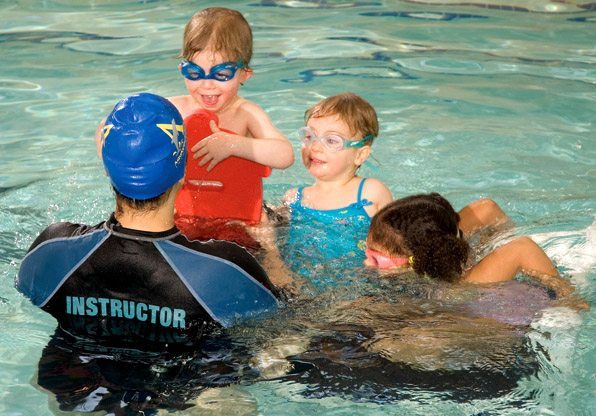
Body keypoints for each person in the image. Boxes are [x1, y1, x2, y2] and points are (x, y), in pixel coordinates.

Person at [17, 92, 281, 351]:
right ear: (183, 171)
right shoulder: (222, 269)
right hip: (185, 390)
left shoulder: (51, 249)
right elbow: (284, 325)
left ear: (107, 168)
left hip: (71, 386)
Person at [364, 193, 578, 297]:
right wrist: (490, 243)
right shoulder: (441, 239)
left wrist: (567, 298)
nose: (366, 263)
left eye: (376, 259)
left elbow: (521, 247)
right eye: (365, 250)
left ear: (415, 260)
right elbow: (486, 208)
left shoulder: (462, 286)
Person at [280, 92, 393, 282]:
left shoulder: (370, 193)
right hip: (300, 288)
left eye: (331, 141)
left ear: (360, 155)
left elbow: (397, 246)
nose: (315, 147)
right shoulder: (293, 199)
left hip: (360, 289)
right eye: (310, 136)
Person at [168, 7, 294, 172]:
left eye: (221, 74)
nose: (207, 85)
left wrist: (233, 144)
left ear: (244, 74)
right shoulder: (173, 110)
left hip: (236, 196)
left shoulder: (246, 113)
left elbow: (285, 155)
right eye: (194, 73)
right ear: (182, 70)